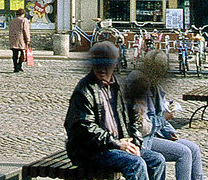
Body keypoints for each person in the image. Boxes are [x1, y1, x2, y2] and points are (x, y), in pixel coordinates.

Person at [64, 41, 166, 180]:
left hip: (117, 144)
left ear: (115, 64)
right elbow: (84, 128)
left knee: (157, 160)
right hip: (91, 150)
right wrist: (117, 144)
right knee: (136, 164)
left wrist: (134, 143)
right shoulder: (84, 90)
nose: (102, 69)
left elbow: (134, 119)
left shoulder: (120, 87)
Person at [126, 51, 205, 180]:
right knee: (184, 153)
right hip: (143, 139)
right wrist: (164, 118)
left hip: (157, 134)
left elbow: (160, 111)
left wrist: (169, 131)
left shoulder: (155, 85)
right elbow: (142, 126)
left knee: (194, 149)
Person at [8, 7, 31, 72]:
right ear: (23, 13)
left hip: (13, 38)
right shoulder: (24, 20)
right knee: (22, 53)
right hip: (21, 39)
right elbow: (26, 30)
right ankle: (19, 65)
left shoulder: (13, 20)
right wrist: (28, 39)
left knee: (15, 54)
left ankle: (15, 67)